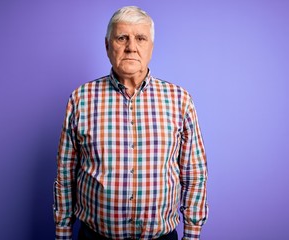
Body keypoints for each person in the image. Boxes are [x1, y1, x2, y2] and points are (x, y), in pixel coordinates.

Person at [53, 6, 208, 240]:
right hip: (95, 236)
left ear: (151, 47)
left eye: (141, 38)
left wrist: (193, 234)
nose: (131, 47)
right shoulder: (80, 99)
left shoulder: (180, 100)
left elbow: (194, 173)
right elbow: (66, 173)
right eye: (122, 37)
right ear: (107, 46)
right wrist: (63, 232)